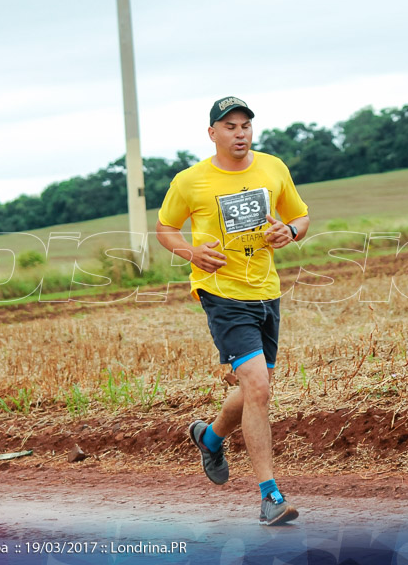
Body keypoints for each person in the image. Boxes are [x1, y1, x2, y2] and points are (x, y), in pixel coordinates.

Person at [156, 96, 310, 526]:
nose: (239, 133)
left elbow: (300, 217)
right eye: (229, 126)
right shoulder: (190, 181)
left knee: (252, 388)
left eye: (245, 126)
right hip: (221, 293)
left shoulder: (273, 167)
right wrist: (191, 252)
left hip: (266, 290)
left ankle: (209, 437)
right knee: (259, 387)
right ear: (212, 133)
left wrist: (290, 231)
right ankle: (270, 496)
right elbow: (165, 228)